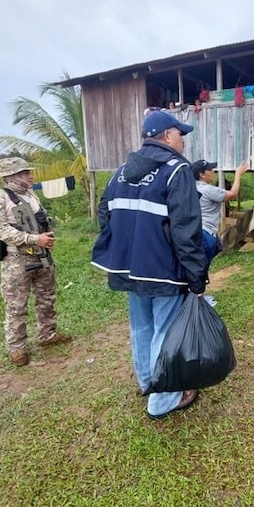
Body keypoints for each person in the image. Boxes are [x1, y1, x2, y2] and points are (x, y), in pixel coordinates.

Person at [91, 110, 207, 420]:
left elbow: (104, 215)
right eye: (180, 135)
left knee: (142, 329)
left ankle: (147, 383)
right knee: (166, 333)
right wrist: (197, 275)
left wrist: (131, 245)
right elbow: (186, 229)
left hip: (129, 268)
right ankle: (163, 400)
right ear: (168, 135)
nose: (182, 141)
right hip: (163, 270)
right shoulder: (176, 170)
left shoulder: (121, 171)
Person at [0, 157, 71, 367]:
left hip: (42, 255)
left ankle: (47, 334)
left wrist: (46, 237)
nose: (31, 176)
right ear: (11, 176)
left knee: (46, 297)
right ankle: (17, 349)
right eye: (25, 173)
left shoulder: (31, 194)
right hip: (16, 259)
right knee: (16, 305)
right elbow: (1, 230)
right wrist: (33, 239)